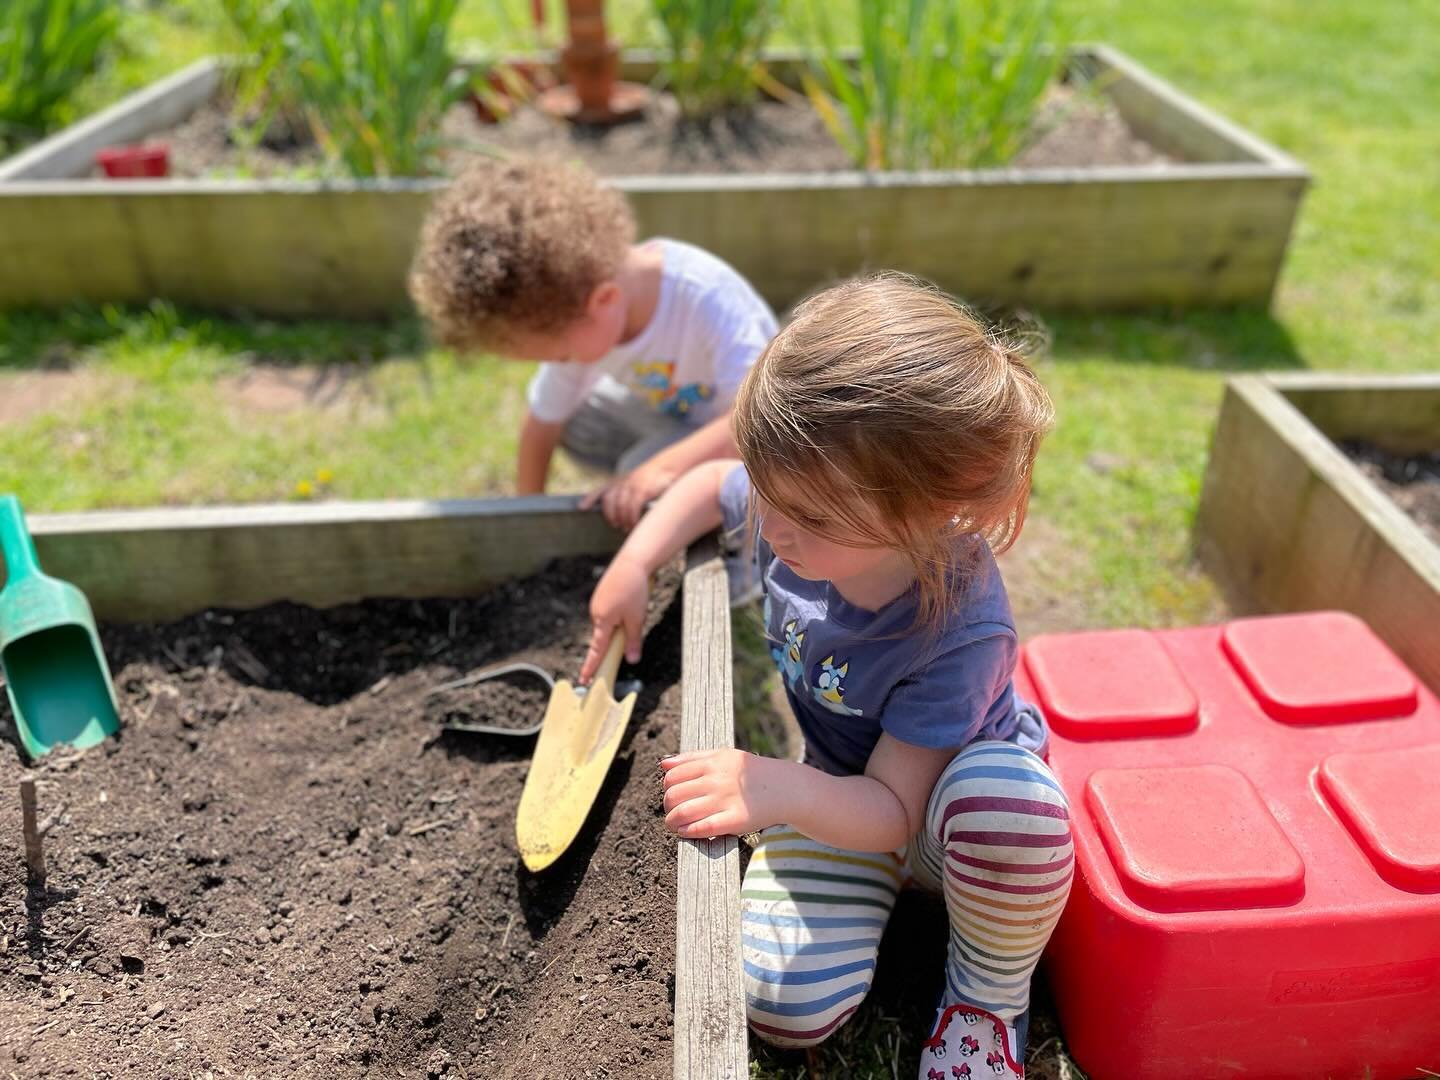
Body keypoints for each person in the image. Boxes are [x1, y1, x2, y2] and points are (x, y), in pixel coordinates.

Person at [579, 274, 1072, 1078]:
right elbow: (711, 485)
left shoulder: (958, 630)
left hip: (943, 820)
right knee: (781, 1002)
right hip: (847, 794)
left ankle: (985, 996)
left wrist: (770, 789)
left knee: (1010, 818)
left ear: (921, 512)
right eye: (769, 495)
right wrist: (636, 562)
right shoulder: (805, 501)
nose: (770, 529)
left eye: (805, 516)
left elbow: (894, 811)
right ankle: (872, 913)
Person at [408, 155, 778, 530]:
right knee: (576, 419)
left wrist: (656, 470)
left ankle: (723, 536)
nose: (564, 362)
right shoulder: (584, 309)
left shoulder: (705, 297)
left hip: (755, 441)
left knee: (640, 474)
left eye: (563, 354)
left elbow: (762, 422)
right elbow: (541, 425)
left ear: (604, 301)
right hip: (678, 417)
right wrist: (524, 518)